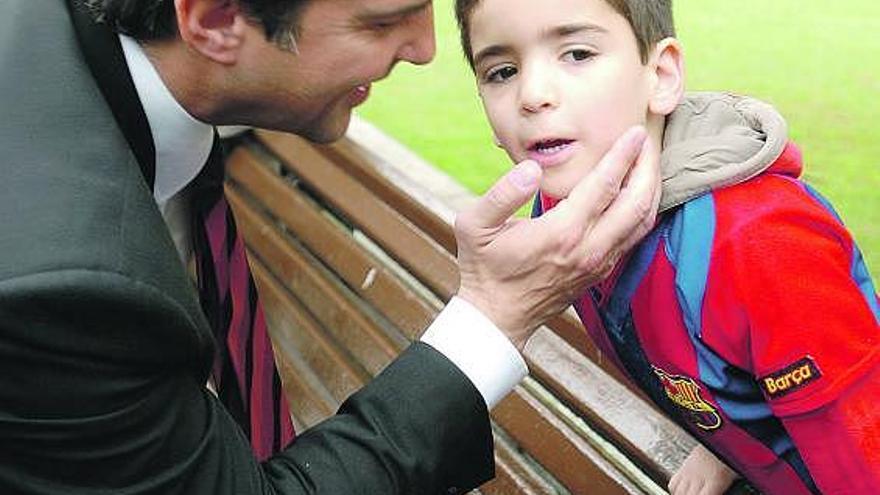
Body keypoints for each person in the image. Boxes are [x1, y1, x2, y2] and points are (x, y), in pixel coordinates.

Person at [0, 0, 662, 493]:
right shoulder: (58, 292)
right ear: (214, 21)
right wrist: (497, 312)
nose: (425, 47)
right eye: (380, 22)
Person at [453, 0, 880, 493]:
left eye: (576, 54)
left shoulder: (757, 244)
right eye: (502, 71)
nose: (532, 94)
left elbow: (863, 452)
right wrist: (725, 433)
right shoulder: (563, 211)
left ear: (660, 75)